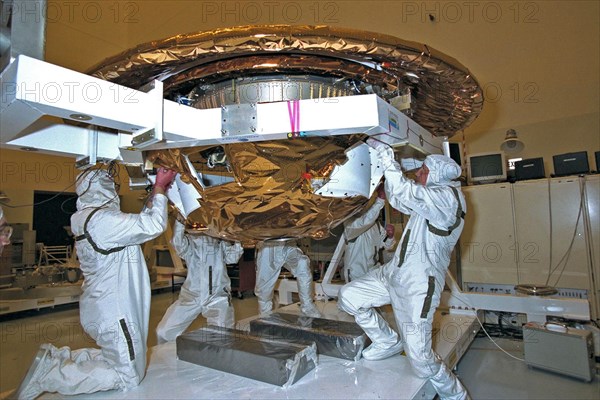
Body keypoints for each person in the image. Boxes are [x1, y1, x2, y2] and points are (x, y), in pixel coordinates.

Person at [16, 166, 176, 400]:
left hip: (103, 307)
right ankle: (50, 374)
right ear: (96, 184)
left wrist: (154, 196)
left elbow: (138, 226)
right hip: (115, 311)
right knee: (128, 374)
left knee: (117, 357)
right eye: (108, 178)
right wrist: (160, 186)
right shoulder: (101, 220)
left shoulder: (91, 218)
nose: (113, 181)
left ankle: (57, 359)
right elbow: (151, 226)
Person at [338, 141, 470, 400]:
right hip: (393, 274)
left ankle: (457, 396)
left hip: (417, 285)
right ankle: (387, 340)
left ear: (438, 174)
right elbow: (399, 198)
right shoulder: (433, 196)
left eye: (423, 171)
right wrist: (391, 171)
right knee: (349, 297)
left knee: (421, 361)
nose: (419, 174)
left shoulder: (448, 200)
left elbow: (406, 192)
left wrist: (389, 159)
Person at [155, 220, 243, 343]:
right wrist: (180, 219)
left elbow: (232, 258)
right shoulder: (190, 240)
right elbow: (177, 243)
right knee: (164, 331)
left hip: (217, 296)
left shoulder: (220, 239)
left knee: (222, 338)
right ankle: (172, 358)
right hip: (191, 295)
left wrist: (237, 238)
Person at [255, 239, 322, 318]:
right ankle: (264, 313)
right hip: (268, 247)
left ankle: (307, 306)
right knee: (264, 286)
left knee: (302, 263)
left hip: (289, 244)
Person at [342, 186, 391, 282]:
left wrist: (390, 236)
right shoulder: (350, 224)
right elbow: (364, 222)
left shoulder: (375, 224)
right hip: (356, 275)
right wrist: (380, 200)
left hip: (373, 273)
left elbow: (383, 245)